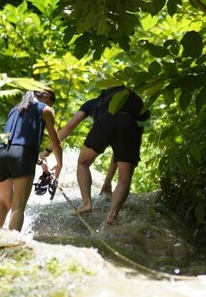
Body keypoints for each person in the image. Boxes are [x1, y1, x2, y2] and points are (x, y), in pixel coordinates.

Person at [51, 85, 150, 225]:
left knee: (83, 163)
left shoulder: (93, 103)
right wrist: (108, 181)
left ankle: (86, 203)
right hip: (130, 126)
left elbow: (70, 126)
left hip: (105, 123)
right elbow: (117, 155)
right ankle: (112, 216)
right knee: (125, 177)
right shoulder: (130, 112)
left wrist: (48, 149)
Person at [0, 89, 62, 231]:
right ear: (47, 96)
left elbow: (15, 141)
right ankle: (13, 247)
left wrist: (41, 163)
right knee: (18, 207)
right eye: (52, 101)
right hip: (23, 155)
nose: (52, 106)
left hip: (0, 154)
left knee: (4, 203)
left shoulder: (15, 109)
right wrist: (59, 164)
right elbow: (56, 142)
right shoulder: (46, 110)